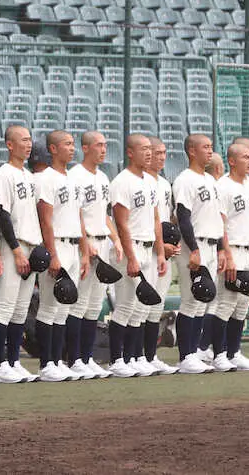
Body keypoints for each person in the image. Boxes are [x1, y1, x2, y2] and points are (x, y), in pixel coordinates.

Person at [107, 134, 168, 377]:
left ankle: (134, 357)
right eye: (143, 149)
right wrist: (131, 257)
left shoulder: (150, 182)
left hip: (148, 247)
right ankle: (116, 359)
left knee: (142, 307)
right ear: (130, 152)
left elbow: (155, 219)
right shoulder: (122, 182)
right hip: (130, 248)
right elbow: (121, 224)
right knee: (125, 305)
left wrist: (161, 253)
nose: (149, 153)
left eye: (150, 150)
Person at [171, 134, 230, 373]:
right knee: (190, 301)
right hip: (193, 246)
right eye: (205, 147)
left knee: (201, 303)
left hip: (210, 243)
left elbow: (214, 218)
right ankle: (185, 356)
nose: (209, 150)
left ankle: (193, 353)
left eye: (210, 147)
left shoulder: (210, 180)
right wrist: (194, 249)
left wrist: (220, 249)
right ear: (192, 151)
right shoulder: (185, 180)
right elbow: (183, 217)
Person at [0, 125, 44, 383]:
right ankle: (0, 365)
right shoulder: (4, 175)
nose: (29, 144)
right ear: (10, 145)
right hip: (14, 247)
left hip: (30, 246)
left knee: (21, 309)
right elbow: (2, 215)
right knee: (5, 307)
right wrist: (15, 250)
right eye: (23, 140)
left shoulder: (29, 176)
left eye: (30, 139)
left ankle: (14, 361)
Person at [35, 130, 88, 381]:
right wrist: (52, 255)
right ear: (53, 149)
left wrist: (84, 252)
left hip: (73, 245)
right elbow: (45, 220)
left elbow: (78, 217)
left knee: (64, 308)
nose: (72, 148)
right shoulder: (46, 178)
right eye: (66, 144)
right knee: (49, 307)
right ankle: (46, 364)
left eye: (72, 144)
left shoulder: (71, 178)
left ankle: (57, 360)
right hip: (56, 245)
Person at [211, 142, 249, 371]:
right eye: (245, 156)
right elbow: (220, 223)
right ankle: (218, 354)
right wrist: (226, 253)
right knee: (226, 304)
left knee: (243, 306)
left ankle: (235, 353)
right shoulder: (223, 186)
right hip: (232, 249)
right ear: (232, 161)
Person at [66, 131, 118, 378]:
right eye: (98, 145)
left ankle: (86, 358)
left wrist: (115, 239)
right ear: (85, 148)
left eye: (105, 145)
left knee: (94, 305)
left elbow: (104, 214)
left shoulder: (104, 177)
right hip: (83, 246)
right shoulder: (75, 176)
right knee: (78, 305)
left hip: (103, 242)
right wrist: (85, 243)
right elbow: (75, 214)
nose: (103, 149)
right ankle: (73, 358)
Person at [143, 137, 178, 374]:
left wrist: (171, 242)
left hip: (165, 253)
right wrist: (159, 246)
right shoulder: (140, 182)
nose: (161, 157)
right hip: (146, 249)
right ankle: (133, 356)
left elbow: (168, 219)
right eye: (157, 153)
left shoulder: (166, 184)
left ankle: (150, 355)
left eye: (164, 153)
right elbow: (144, 221)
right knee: (140, 307)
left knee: (156, 307)